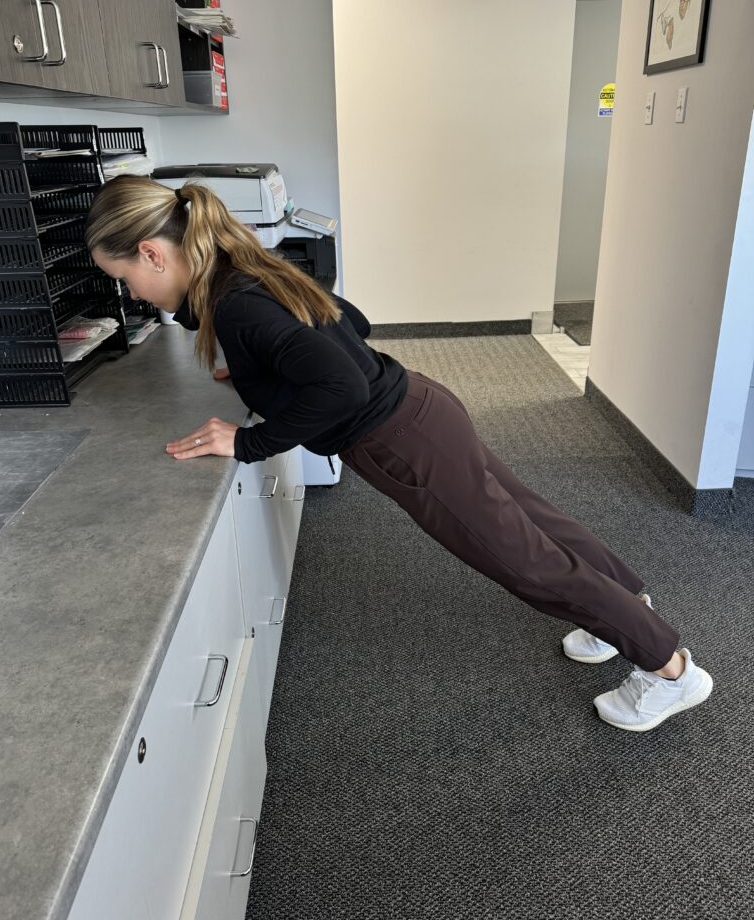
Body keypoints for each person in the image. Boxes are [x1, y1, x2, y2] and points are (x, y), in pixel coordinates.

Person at [85, 175, 714, 733]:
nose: (134, 294)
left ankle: (671, 670)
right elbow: (348, 322)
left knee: (526, 564)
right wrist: (268, 370)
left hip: (401, 443)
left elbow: (341, 384)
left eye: (125, 279)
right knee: (532, 520)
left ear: (151, 252)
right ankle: (627, 606)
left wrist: (248, 440)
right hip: (422, 405)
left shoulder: (238, 303)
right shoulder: (245, 269)